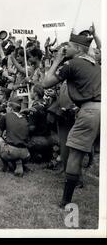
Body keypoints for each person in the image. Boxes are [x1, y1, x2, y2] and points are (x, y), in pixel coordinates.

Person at [43, 32, 101, 208]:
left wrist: (57, 60)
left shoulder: (71, 63)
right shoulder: (95, 64)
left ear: (77, 49)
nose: (63, 48)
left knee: (74, 155)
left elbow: (46, 82)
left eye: (67, 46)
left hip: (90, 111)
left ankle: (65, 201)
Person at [0, 97, 30, 177]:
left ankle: (5, 166)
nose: (6, 108)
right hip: (26, 153)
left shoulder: (6, 116)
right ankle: (19, 162)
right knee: (14, 144)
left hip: (11, 151)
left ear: (11, 108)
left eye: (7, 107)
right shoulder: (24, 118)